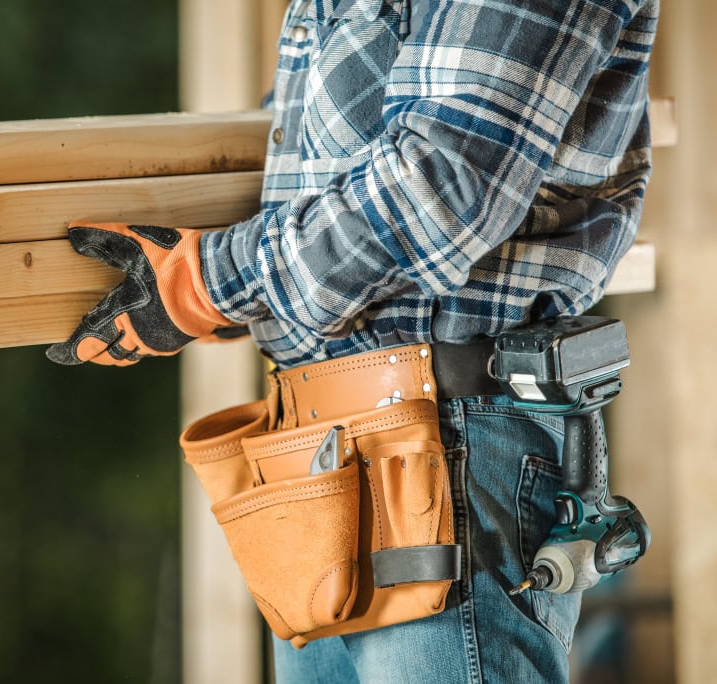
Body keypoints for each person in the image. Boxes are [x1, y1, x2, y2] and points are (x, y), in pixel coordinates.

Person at [46, 0, 658, 681]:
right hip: (326, 453)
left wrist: (212, 283)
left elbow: (446, 182)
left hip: (451, 442)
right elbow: (319, 163)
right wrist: (254, 290)